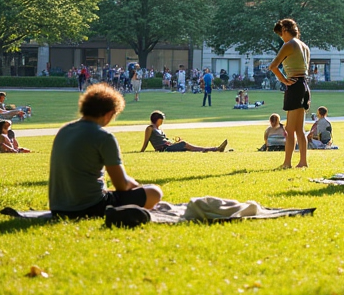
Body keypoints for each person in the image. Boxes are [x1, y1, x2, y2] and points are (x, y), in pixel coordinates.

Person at [48, 84, 163, 218]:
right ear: (108, 114)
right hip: (90, 207)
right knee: (154, 192)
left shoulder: (64, 130)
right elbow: (121, 184)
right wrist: (137, 187)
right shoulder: (104, 137)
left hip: (58, 208)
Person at [267, 18, 310, 169]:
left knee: (290, 129)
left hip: (294, 86)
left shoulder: (289, 44)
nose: (281, 37)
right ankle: (303, 162)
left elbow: (273, 66)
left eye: (281, 34)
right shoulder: (304, 46)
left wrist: (284, 80)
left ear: (285, 29)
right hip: (304, 86)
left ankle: (287, 163)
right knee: (300, 129)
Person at [139, 111, 226, 153]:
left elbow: (166, 140)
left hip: (168, 146)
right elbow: (146, 142)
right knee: (187, 145)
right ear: (156, 120)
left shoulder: (160, 129)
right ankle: (214, 149)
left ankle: (213, 149)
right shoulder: (150, 129)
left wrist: (174, 142)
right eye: (160, 120)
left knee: (188, 146)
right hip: (164, 149)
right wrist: (141, 151)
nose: (161, 122)